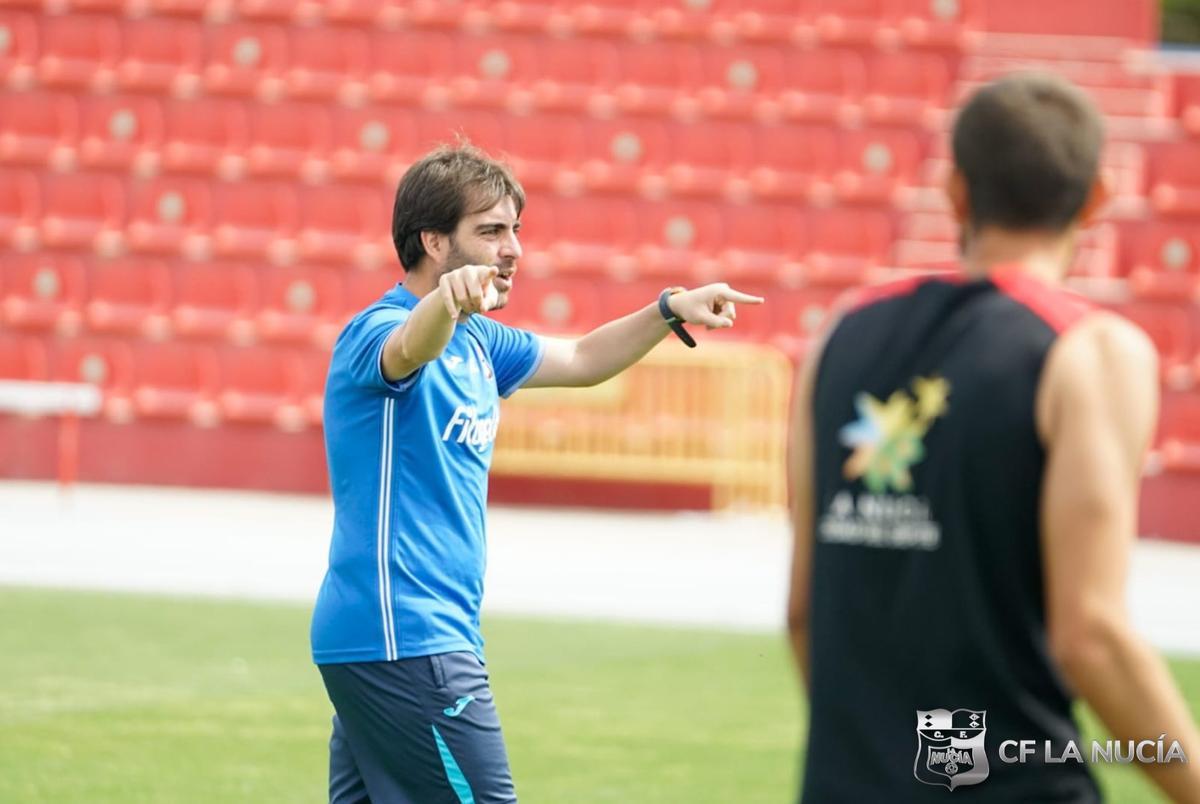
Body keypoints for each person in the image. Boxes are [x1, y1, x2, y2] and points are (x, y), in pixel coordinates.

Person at [786, 73, 1200, 802]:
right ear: (1098, 197)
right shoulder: (1090, 352)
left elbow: (803, 613)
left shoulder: (841, 336)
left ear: (955, 193)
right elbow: (1091, 636)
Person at [310, 142, 763, 803]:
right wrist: (444, 302)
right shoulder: (376, 329)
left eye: (515, 230)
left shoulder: (481, 341)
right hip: (404, 634)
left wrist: (668, 310)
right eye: (491, 231)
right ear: (433, 242)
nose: (513, 248)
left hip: (400, 640)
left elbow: (581, 358)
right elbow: (409, 348)